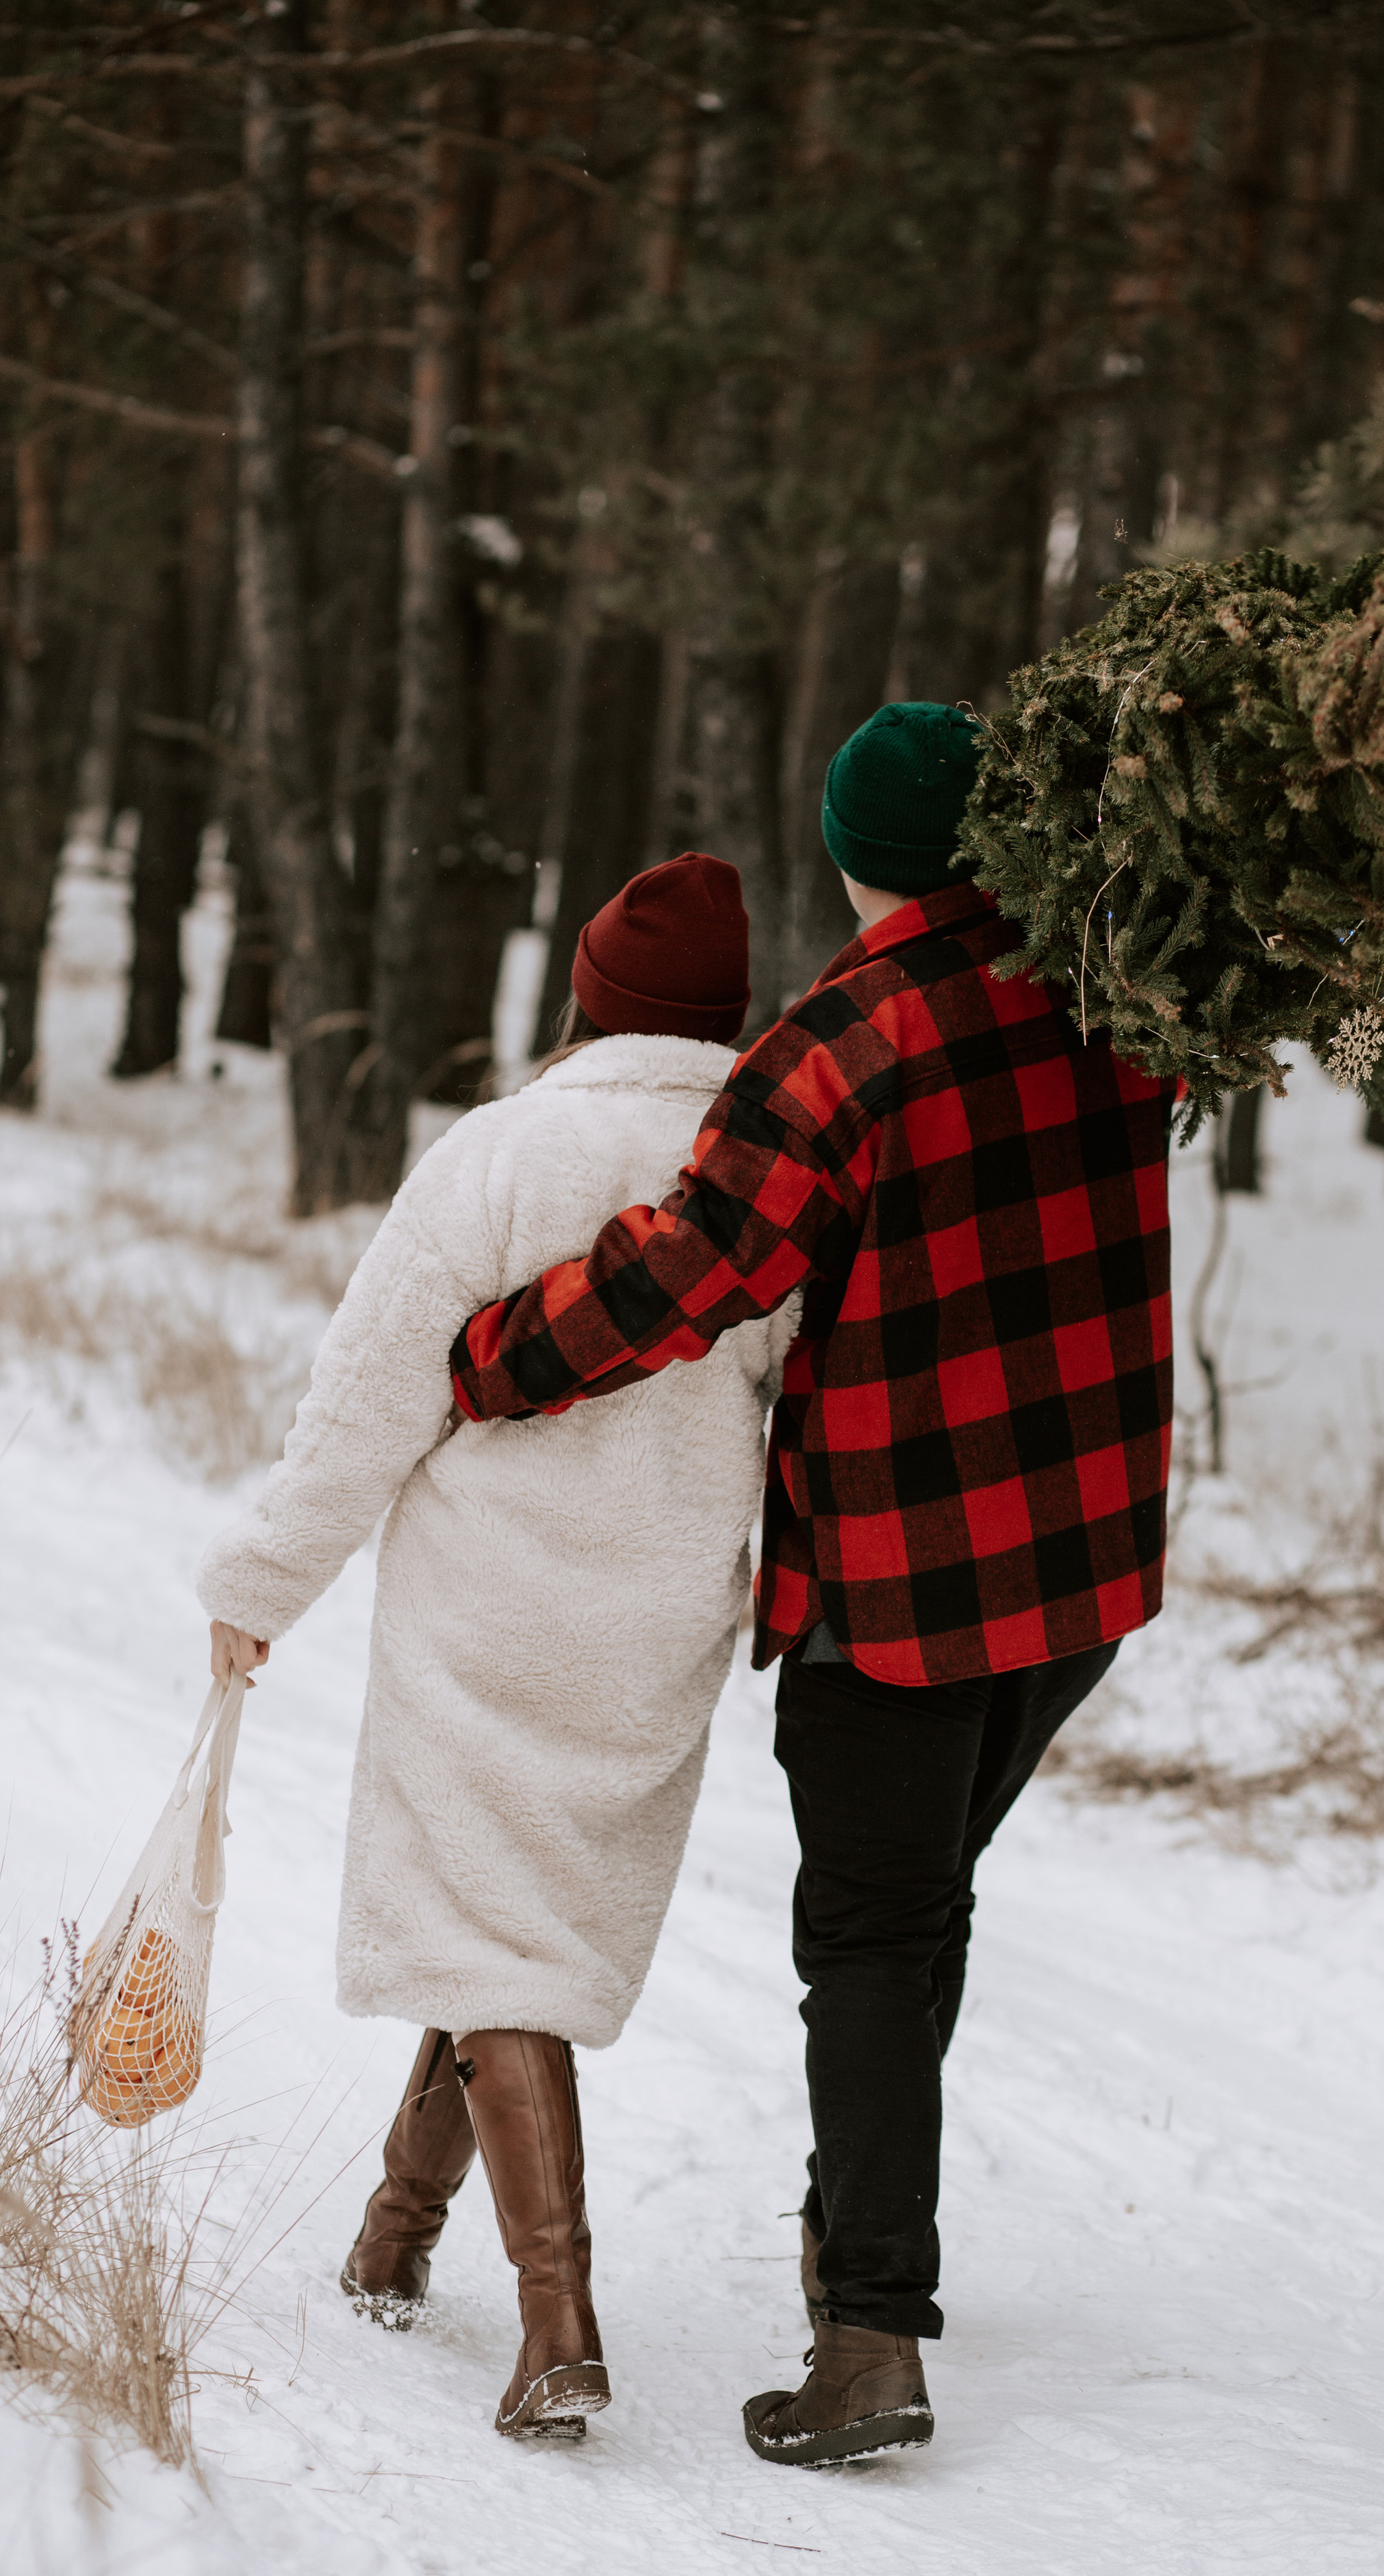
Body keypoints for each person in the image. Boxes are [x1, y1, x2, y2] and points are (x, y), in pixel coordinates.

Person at [446, 700, 1177, 2468]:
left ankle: (869, 2337)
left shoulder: (841, 1042)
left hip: (905, 1580)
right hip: (1083, 1556)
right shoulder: (1126, 990)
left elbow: (695, 1269)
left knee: (867, 1934)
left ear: (853, 851)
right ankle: (856, 2222)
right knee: (923, 1906)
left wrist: (494, 1355)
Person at [198, 853, 797, 2444]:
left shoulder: (503, 1150)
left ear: (589, 998)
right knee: (499, 1919)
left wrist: (265, 1577)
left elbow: (370, 1397)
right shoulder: (768, 1164)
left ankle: (557, 2325)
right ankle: (396, 2233)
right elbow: (792, 1401)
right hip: (658, 1606)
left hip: (491, 1599)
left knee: (489, 1924)